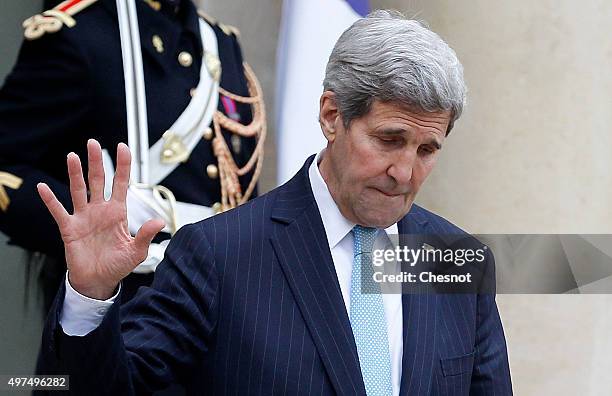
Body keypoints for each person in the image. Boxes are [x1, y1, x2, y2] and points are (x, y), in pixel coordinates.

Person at [37, 10, 512, 395]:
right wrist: (91, 298)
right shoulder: (218, 255)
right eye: (389, 140)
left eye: (427, 151)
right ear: (332, 116)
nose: (405, 173)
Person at [0, 0, 265, 308]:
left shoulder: (219, 43)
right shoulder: (81, 35)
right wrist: (86, 225)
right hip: (124, 309)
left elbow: (240, 186)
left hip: (214, 300)